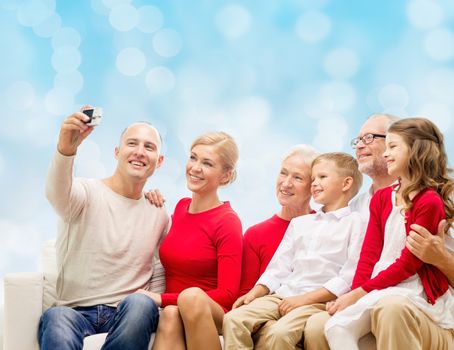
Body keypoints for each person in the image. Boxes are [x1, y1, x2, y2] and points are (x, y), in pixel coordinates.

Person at [304, 113, 454, 350]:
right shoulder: (372, 202)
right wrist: (354, 295)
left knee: (391, 309)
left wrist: (442, 259)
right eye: (359, 139)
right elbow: (368, 256)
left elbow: (408, 264)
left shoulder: (434, 201)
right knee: (325, 326)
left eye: (389, 144)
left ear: (415, 150)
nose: (385, 152)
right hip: (377, 287)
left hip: (411, 293)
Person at [38, 106, 169, 350]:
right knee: (56, 318)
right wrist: (66, 150)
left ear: (159, 162)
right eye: (132, 144)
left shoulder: (158, 212)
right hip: (73, 312)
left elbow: (159, 270)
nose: (139, 152)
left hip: (127, 313)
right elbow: (56, 194)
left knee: (142, 304)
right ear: (117, 152)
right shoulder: (85, 193)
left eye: (149, 147)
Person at [222, 152, 365, 350]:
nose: (314, 183)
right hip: (283, 295)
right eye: (313, 178)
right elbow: (278, 268)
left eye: (322, 177)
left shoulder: (357, 223)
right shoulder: (300, 224)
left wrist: (302, 300)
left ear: (346, 184)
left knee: (279, 334)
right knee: (233, 319)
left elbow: (349, 276)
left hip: (318, 301)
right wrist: (257, 291)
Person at [139, 131, 243, 350]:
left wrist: (161, 299)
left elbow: (227, 294)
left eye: (207, 163)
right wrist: (144, 199)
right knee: (170, 315)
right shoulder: (180, 207)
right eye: (193, 157)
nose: (195, 167)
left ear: (225, 176)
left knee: (189, 298)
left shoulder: (227, 221)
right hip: (173, 309)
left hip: (208, 311)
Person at [236, 144, 318, 300]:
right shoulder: (255, 235)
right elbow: (245, 294)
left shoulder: (325, 227)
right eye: (283, 173)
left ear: (312, 186)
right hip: (263, 315)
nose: (286, 183)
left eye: (298, 177)